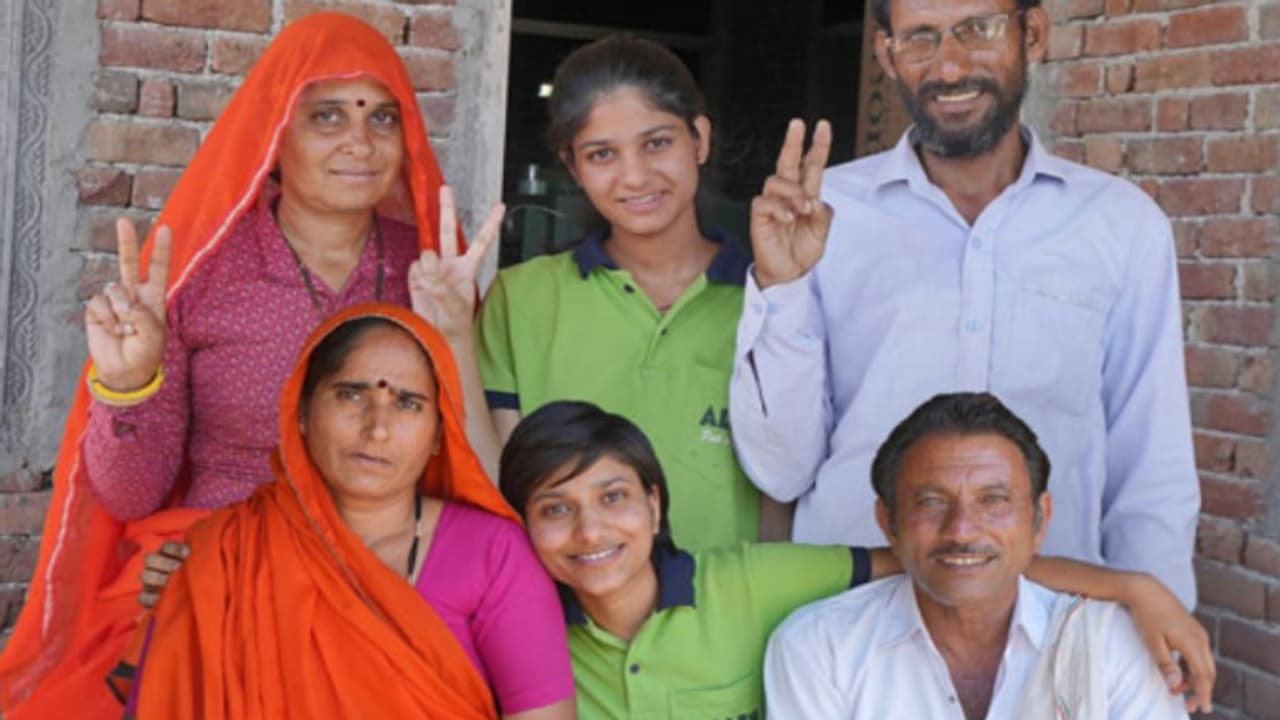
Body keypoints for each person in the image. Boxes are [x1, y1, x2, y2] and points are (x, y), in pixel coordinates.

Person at [0, 14, 491, 719]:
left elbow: (463, 463)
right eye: (327, 115)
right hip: (210, 580)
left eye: (384, 118)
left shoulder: (433, 269)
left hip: (385, 579)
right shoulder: (202, 268)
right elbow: (133, 496)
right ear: (275, 133)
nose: (361, 141)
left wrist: (457, 331)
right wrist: (130, 383)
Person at [729, 0, 1199, 607]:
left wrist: (1158, 622)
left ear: (1031, 33)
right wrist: (782, 288)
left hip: (1055, 618)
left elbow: (1150, 466)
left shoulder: (1118, 223)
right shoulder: (823, 217)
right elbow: (781, 469)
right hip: (860, 622)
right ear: (885, 54)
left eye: (977, 30)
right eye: (920, 38)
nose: (949, 68)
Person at [500, 401, 1212, 719]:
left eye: (614, 496)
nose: (590, 529)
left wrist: (1133, 588)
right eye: (555, 508)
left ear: (655, 506)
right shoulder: (519, 635)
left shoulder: (751, 583)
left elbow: (946, 563)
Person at [127, 304, 575, 719]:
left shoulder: (493, 553)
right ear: (300, 411)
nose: (377, 428)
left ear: (440, 434)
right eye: (350, 395)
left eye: (408, 403)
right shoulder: (228, 554)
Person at [471, 35, 791, 552]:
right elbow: (499, 490)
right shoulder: (522, 298)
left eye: (657, 143)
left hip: (727, 622)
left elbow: (782, 500)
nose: (635, 176)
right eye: (602, 154)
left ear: (700, 139)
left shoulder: (771, 300)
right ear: (572, 167)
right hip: (564, 622)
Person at [765, 393, 1195, 718]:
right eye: (931, 502)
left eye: (993, 500)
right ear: (888, 522)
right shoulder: (822, 648)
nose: (962, 530)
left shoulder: (1109, 645)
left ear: (1039, 520)